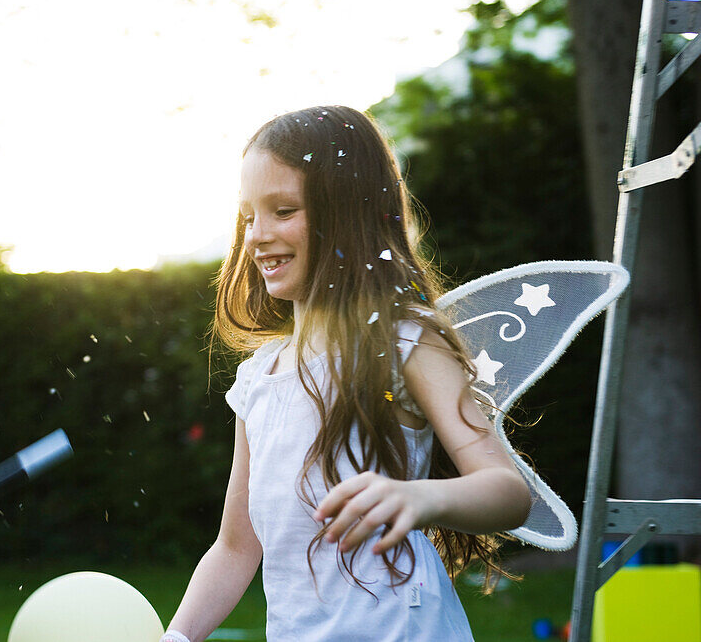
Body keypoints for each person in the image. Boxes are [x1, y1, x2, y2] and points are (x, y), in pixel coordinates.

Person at [162, 106, 533, 642]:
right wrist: (176, 638)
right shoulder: (258, 380)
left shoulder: (405, 344)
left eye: (283, 210)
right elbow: (236, 546)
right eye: (248, 216)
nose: (257, 235)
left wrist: (421, 497)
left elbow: (506, 491)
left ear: (349, 214)